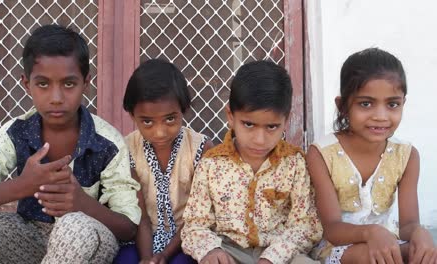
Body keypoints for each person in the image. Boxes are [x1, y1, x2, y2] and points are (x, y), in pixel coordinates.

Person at [0, 24, 141, 263]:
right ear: (26, 83)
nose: (56, 98)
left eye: (68, 84)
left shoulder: (107, 142)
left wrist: (81, 203)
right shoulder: (17, 132)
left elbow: (128, 227)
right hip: (28, 238)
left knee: (74, 226)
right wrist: (22, 186)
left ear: (86, 83)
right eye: (43, 84)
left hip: (88, 237)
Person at [181, 60, 322, 264]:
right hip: (228, 251)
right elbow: (195, 224)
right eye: (248, 124)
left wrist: (272, 258)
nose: (259, 139)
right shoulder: (211, 164)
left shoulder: (294, 163)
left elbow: (306, 225)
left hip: (281, 252)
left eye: (272, 127)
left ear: (286, 120)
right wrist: (210, 251)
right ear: (230, 116)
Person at [307, 48, 437, 264]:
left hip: (387, 242)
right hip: (337, 246)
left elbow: (408, 225)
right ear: (342, 106)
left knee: (424, 253)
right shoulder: (322, 154)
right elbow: (331, 228)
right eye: (366, 104)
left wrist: (419, 233)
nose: (380, 116)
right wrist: (371, 233)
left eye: (392, 104)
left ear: (403, 103)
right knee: (372, 258)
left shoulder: (407, 156)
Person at [114, 58, 213, 264]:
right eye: (147, 121)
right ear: (132, 115)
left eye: (170, 119)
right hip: (141, 240)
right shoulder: (127, 150)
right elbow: (139, 216)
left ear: (184, 110)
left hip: (188, 238)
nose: (159, 132)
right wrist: (147, 258)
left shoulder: (201, 148)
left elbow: (198, 216)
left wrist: (165, 255)